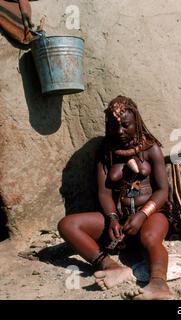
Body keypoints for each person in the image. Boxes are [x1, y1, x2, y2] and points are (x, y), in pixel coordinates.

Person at [58, 95, 172, 299]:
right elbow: (104, 192)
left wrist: (142, 215)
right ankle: (110, 266)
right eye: (113, 127)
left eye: (125, 125)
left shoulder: (151, 149)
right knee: (68, 225)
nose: (119, 131)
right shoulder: (106, 153)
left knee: (150, 238)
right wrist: (111, 218)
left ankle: (158, 284)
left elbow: (163, 191)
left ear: (136, 122)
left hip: (150, 215)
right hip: (118, 219)